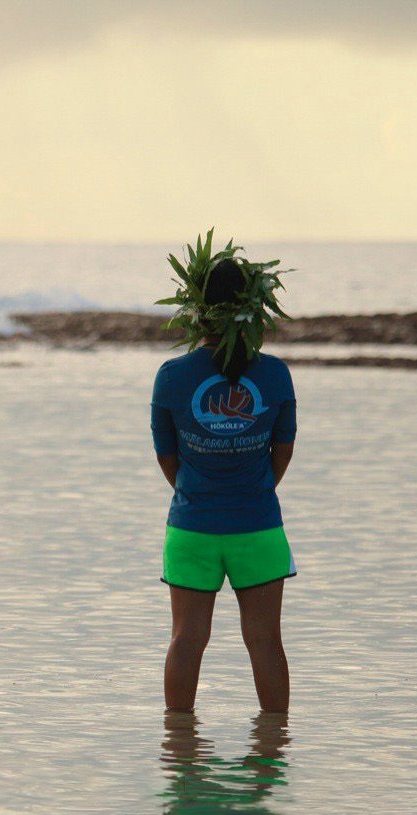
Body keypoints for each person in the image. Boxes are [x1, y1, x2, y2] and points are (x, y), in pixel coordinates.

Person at [151, 256, 296, 713]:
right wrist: (252, 489)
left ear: (197, 308)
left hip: (192, 527)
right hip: (257, 525)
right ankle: (273, 755)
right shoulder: (274, 374)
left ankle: (179, 753)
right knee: (266, 641)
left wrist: (198, 489)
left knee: (186, 640)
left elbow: (167, 456)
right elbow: (283, 452)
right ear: (254, 310)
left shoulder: (171, 376)